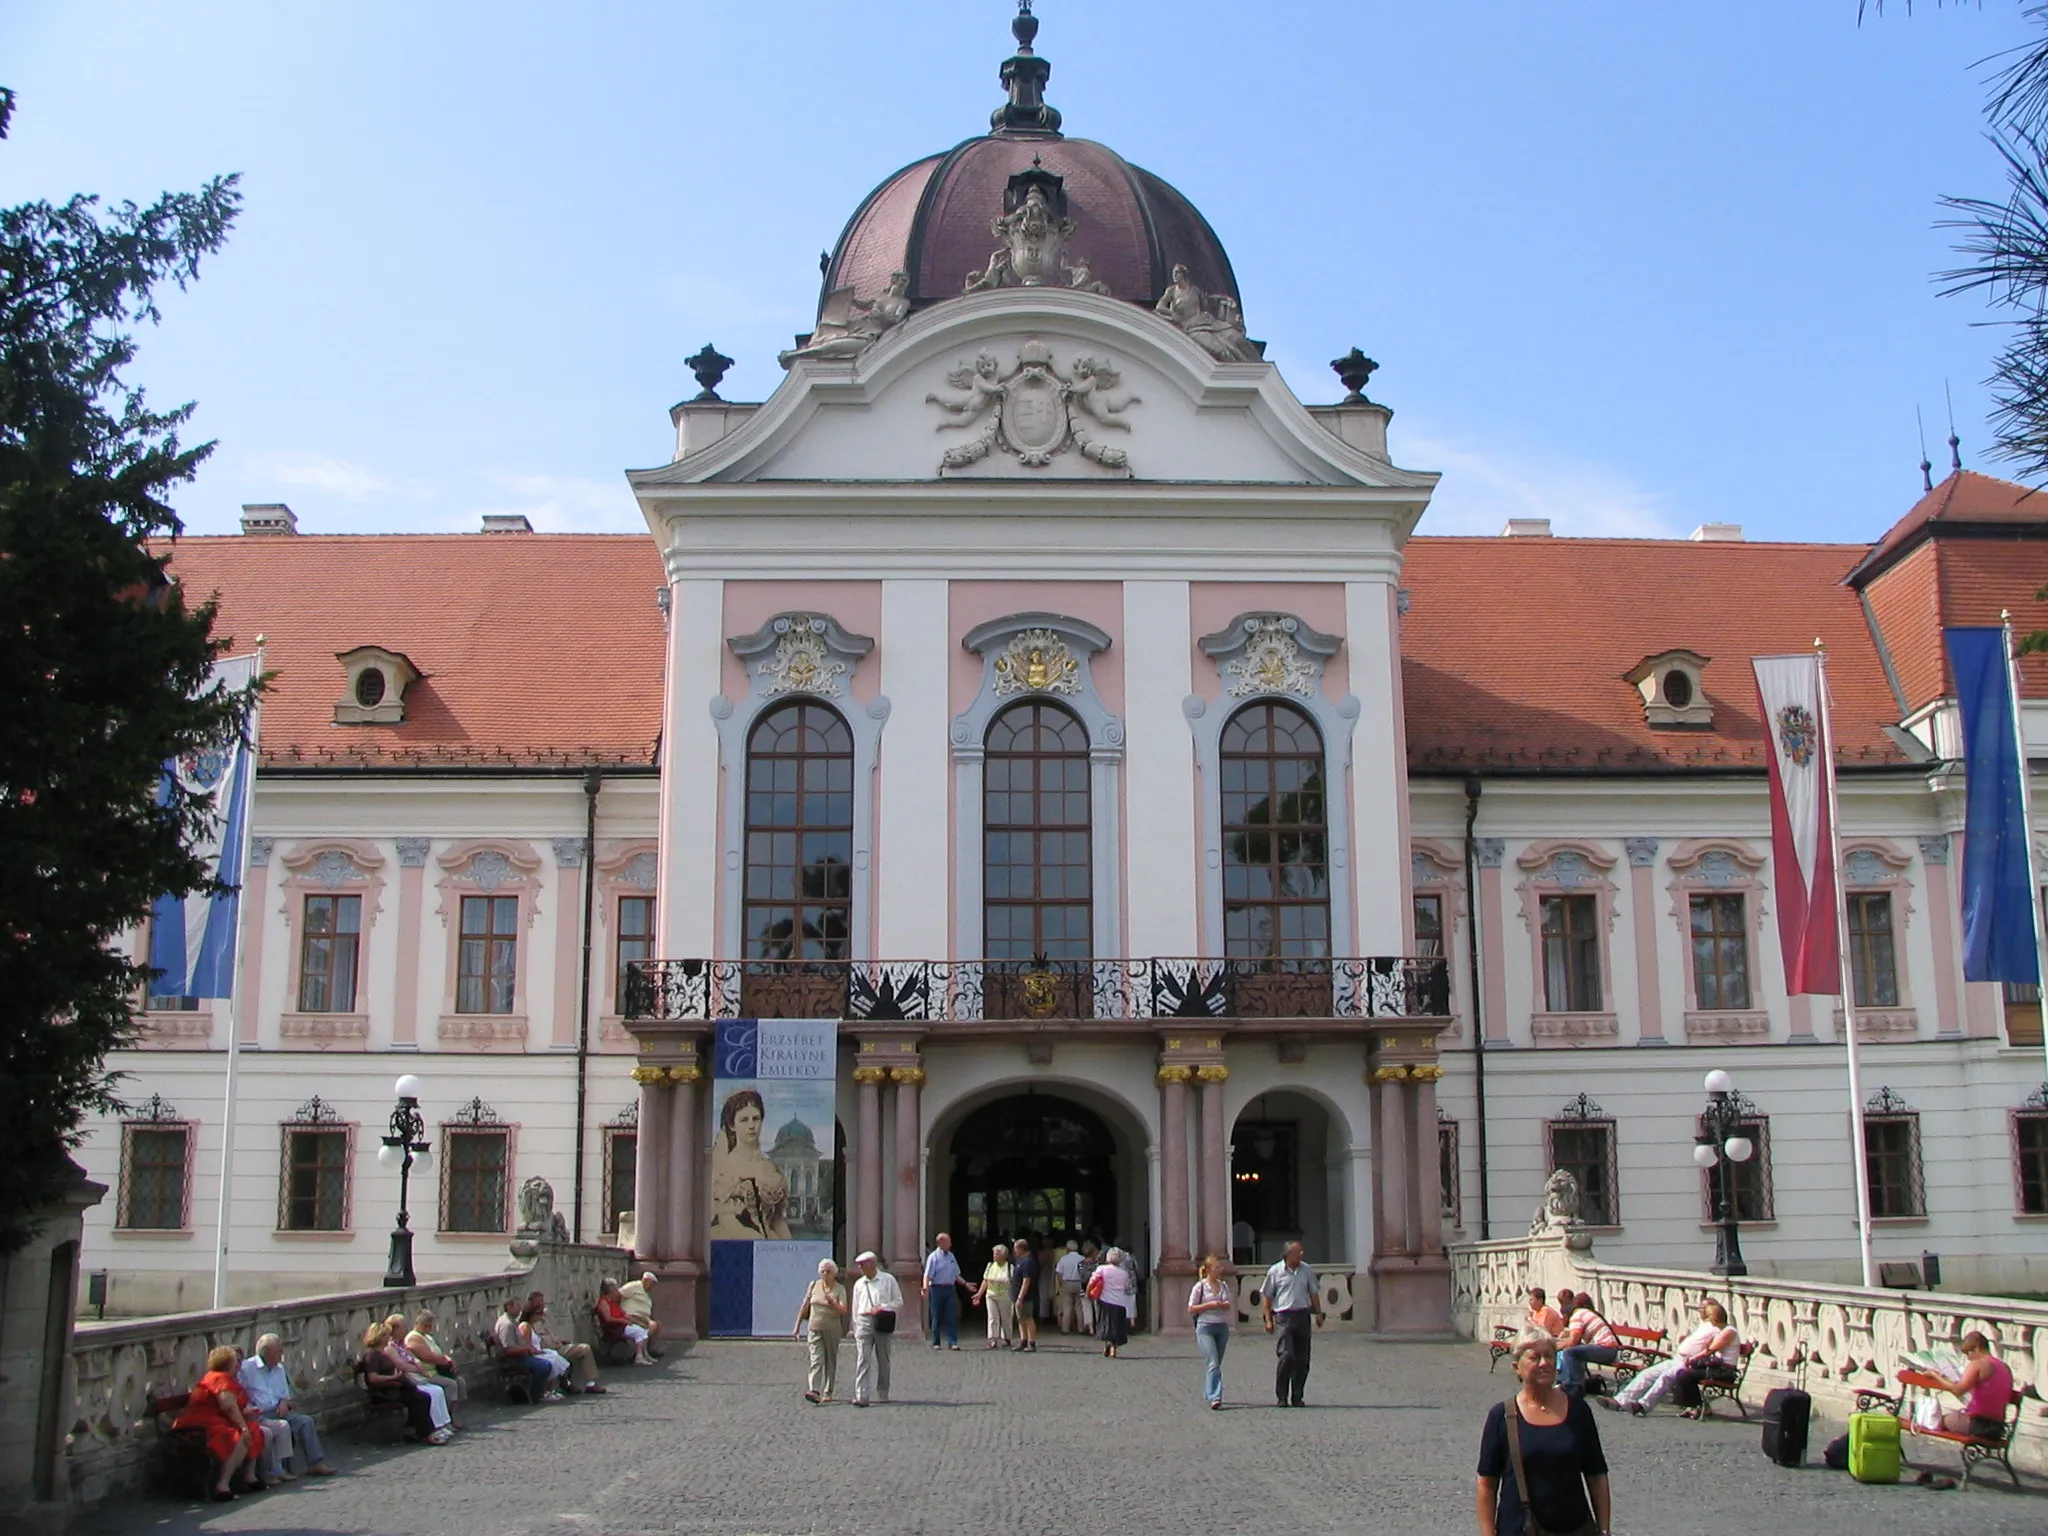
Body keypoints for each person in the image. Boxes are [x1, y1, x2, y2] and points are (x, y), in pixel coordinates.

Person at [1477, 1331, 1612, 1536]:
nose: (1544, 1363)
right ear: (1517, 1368)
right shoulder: (1501, 1416)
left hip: (1574, 1529)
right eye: (1534, 1357)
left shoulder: (1578, 1411)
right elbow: (1487, 1482)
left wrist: (1603, 1530)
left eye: (1549, 1355)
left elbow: (1596, 1474)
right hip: (1519, 1529)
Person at [1596, 1299, 1737, 1417]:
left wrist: (1692, 1358)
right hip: (1678, 1358)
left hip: (1689, 1362)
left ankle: (1643, 1405)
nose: (1700, 1310)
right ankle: (1620, 1400)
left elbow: (1709, 1349)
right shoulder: (1705, 1324)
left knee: (1666, 1377)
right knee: (1647, 1374)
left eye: (1704, 1308)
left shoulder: (1721, 1330)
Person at [238, 1333, 337, 1481]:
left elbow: (285, 1395)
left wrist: (284, 1402)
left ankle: (315, 1463)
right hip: (260, 1413)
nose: (282, 1354)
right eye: (278, 1351)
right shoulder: (247, 1368)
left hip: (278, 1411)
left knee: (306, 1421)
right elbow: (240, 1393)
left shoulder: (279, 1368)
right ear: (266, 1352)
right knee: (281, 1426)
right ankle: (275, 1470)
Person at [175, 1345, 266, 1498]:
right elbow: (228, 1405)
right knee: (240, 1436)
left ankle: (249, 1476)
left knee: (254, 1429)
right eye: (235, 1362)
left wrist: (245, 1417)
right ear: (226, 1364)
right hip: (201, 1424)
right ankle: (223, 1484)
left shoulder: (226, 1379)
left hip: (217, 1421)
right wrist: (242, 1426)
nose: (238, 1365)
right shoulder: (219, 1377)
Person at [709, 1087, 792, 1240]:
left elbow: (777, 1220)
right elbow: (726, 1219)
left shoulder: (769, 1167)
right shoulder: (725, 1166)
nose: (752, 1126)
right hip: (735, 1239)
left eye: (756, 1118)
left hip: (769, 1241)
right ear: (732, 1125)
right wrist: (758, 1239)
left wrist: (790, 1247)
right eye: (744, 1120)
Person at [360, 1322, 452, 1444]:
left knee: (423, 1397)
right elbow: (372, 1378)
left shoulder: (384, 1353)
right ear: (380, 1337)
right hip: (385, 1391)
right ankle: (426, 1433)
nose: (389, 1337)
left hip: (397, 1387)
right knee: (419, 1399)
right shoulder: (372, 1355)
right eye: (387, 1335)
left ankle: (416, 1428)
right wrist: (393, 1377)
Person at [1261, 1241, 1324, 1407]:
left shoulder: (1306, 1270)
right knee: (1287, 1355)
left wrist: (1318, 1313)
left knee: (1302, 1359)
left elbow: (1313, 1293)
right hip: (1284, 1316)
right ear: (1288, 1254)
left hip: (1302, 1314)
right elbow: (1267, 1297)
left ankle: (1297, 1396)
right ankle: (1282, 1395)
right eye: (1298, 1252)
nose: (1301, 1255)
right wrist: (1268, 1319)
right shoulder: (1275, 1271)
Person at [1933, 1330, 2017, 1438]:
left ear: (1977, 1348)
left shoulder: (1979, 1364)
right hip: (1998, 1427)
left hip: (1977, 1424)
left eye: (1968, 1352)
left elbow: (1958, 1390)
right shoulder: (2005, 1367)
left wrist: (1936, 1376)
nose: (1968, 1357)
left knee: (1936, 1420)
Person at [523, 1291, 606, 1394]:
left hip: (557, 1346)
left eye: (542, 1301)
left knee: (584, 1349)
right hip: (547, 1350)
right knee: (580, 1350)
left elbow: (551, 1335)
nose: (542, 1303)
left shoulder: (544, 1316)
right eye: (539, 1301)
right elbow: (536, 1340)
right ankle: (565, 1384)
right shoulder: (528, 1321)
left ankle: (590, 1383)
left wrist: (560, 1341)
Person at [850, 1250, 903, 1407]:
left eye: (862, 1265)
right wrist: (855, 1326)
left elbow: (898, 1301)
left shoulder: (888, 1280)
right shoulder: (859, 1284)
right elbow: (855, 1307)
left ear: (872, 1264)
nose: (860, 1268)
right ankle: (861, 1395)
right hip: (864, 1322)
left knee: (883, 1359)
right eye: (859, 1265)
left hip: (882, 1321)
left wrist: (883, 1307)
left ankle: (883, 1392)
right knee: (862, 1359)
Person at [792, 1257, 849, 1403]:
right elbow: (805, 1306)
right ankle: (814, 1390)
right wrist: (797, 1326)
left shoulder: (839, 1289)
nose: (825, 1274)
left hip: (832, 1329)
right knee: (816, 1359)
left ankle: (828, 1391)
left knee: (830, 1360)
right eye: (822, 1271)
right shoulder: (814, 1285)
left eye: (828, 1271)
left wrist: (833, 1303)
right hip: (814, 1328)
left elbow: (843, 1310)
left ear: (834, 1273)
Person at [1189, 1254, 1234, 1408]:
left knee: (1215, 1362)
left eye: (1220, 1267)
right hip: (1205, 1326)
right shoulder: (1200, 1287)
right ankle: (1216, 1397)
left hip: (1222, 1326)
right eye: (1217, 1267)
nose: (1220, 1269)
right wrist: (1210, 1305)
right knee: (1213, 1362)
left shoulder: (1224, 1285)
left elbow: (1228, 1304)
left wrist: (1223, 1304)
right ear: (1208, 1270)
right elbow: (1191, 1308)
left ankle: (1208, 1390)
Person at [493, 1295, 558, 1400]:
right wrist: (526, 1349)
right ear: (509, 1307)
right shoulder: (507, 1324)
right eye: (518, 1306)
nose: (520, 1308)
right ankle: (536, 1393)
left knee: (550, 1360)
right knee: (544, 1366)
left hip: (521, 1356)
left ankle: (541, 1390)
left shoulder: (513, 1321)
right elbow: (508, 1349)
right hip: (513, 1360)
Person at [1555, 1294, 1619, 1397]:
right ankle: (1578, 1384)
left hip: (1606, 1349)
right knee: (1575, 1353)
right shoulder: (1583, 1313)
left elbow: (1573, 1341)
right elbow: (1575, 1339)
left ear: (1567, 1315)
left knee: (1569, 1352)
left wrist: (1556, 1348)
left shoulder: (1576, 1316)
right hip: (1609, 1349)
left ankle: (1571, 1386)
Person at [404, 1310, 469, 1399]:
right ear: (417, 1323)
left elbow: (439, 1353)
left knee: (460, 1382)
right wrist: (447, 1362)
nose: (428, 1329)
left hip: (438, 1371)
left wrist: (449, 1360)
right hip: (427, 1374)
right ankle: (446, 1411)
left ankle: (454, 1410)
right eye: (425, 1326)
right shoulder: (414, 1337)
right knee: (451, 1384)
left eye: (430, 1326)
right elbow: (427, 1357)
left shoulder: (427, 1337)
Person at [597, 1279, 656, 1365]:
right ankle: (639, 1356)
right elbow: (608, 1318)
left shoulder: (613, 1302)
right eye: (614, 1288)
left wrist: (638, 1322)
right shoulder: (603, 1302)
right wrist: (622, 1320)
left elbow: (625, 1315)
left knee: (644, 1329)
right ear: (609, 1290)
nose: (616, 1290)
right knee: (640, 1332)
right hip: (615, 1328)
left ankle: (643, 1354)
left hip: (622, 1325)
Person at [1091, 1245, 1136, 1357]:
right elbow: (1126, 1286)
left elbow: (1093, 1281)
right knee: (1117, 1326)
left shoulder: (1102, 1269)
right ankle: (1113, 1348)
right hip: (1120, 1302)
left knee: (1105, 1324)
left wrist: (1089, 1293)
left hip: (1105, 1300)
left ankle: (1107, 1343)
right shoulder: (1124, 1273)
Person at [922, 1232, 964, 1349]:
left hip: (950, 1288)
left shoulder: (951, 1256)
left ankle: (953, 1341)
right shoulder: (933, 1257)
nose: (950, 1244)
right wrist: (925, 1287)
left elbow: (956, 1274)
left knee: (951, 1315)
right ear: (940, 1243)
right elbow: (927, 1275)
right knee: (936, 1316)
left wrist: (965, 1284)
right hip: (937, 1288)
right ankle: (936, 1342)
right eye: (948, 1241)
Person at [973, 1243, 1015, 1349]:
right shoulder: (990, 1265)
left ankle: (1007, 1337)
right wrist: (979, 1294)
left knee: (1006, 1317)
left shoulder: (1009, 1267)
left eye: (996, 1254)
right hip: (991, 1295)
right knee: (992, 1317)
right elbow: (985, 1281)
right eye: (994, 1254)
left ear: (1003, 1255)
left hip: (1005, 1296)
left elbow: (1012, 1281)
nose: (994, 1256)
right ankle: (993, 1339)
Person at [619, 1271, 664, 1357]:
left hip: (643, 1317)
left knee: (657, 1324)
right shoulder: (634, 1286)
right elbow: (619, 1294)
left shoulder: (646, 1293)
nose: (652, 1287)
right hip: (631, 1315)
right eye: (651, 1284)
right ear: (645, 1281)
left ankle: (650, 1347)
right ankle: (643, 1350)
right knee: (652, 1325)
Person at [1011, 1236, 1040, 1352]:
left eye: (1016, 1248)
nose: (1015, 1251)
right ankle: (1023, 1340)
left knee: (1028, 1318)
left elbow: (1026, 1280)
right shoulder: (1020, 1260)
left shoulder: (1028, 1262)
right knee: (1020, 1319)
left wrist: (1020, 1297)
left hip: (1025, 1296)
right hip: (1018, 1294)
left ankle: (1031, 1342)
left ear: (1022, 1249)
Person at [1055, 1240, 1086, 1333]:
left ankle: (1065, 1329)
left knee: (1067, 1307)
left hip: (1067, 1283)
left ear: (1068, 1249)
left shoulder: (1064, 1259)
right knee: (1079, 1307)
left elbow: (1059, 1272)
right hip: (1079, 1283)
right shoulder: (1082, 1258)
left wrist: (1061, 1283)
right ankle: (1081, 1328)